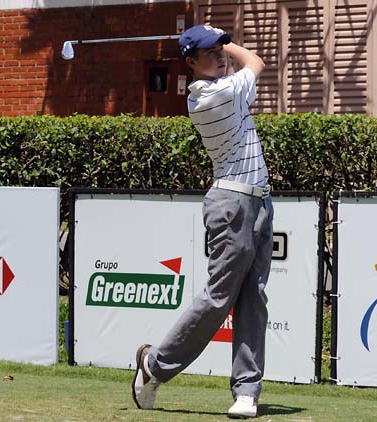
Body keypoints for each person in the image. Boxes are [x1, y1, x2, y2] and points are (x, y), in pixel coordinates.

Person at [131, 24, 273, 419]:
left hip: (259, 202)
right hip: (232, 205)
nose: (221, 55)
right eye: (211, 51)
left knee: (253, 299)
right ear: (191, 62)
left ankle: (247, 391)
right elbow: (256, 62)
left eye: (221, 48)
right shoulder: (213, 95)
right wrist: (233, 44)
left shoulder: (224, 85)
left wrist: (216, 40)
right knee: (218, 298)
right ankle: (155, 366)